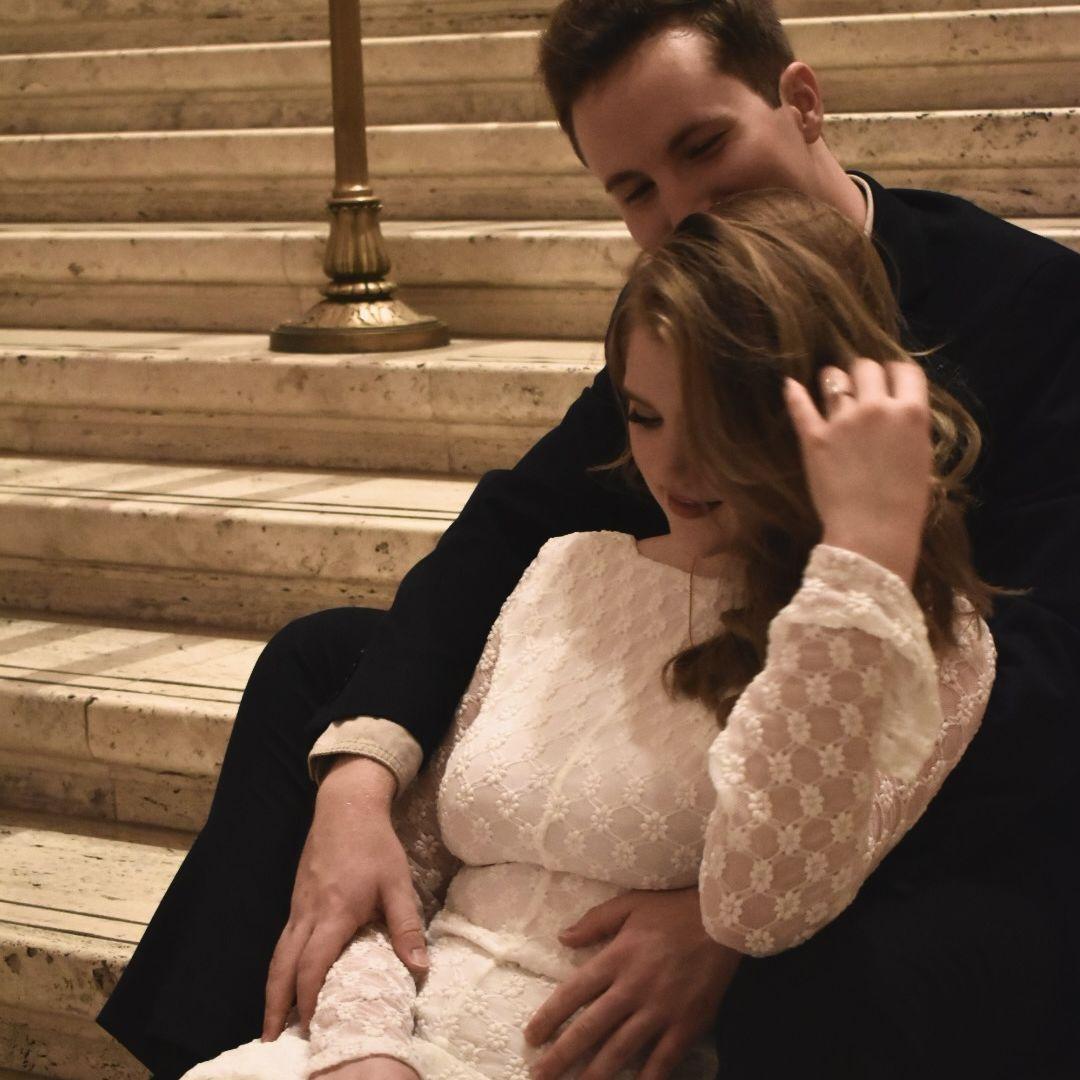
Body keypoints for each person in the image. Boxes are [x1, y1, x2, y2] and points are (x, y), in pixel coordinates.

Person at [99, 1, 1080, 1076]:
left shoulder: (1036, 305)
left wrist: (721, 916)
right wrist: (361, 782)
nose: (684, 208)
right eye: (636, 190)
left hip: (940, 772)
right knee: (321, 668)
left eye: (703, 147)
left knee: (866, 957)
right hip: (718, 682)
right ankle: (231, 1049)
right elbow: (508, 530)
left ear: (800, 102)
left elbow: (1050, 669)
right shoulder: (685, 309)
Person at [177, 190, 997, 1080]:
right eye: (645, 416)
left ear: (820, 409)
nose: (674, 466)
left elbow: (761, 903)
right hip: (383, 1049)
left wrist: (860, 561)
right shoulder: (566, 568)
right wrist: (365, 1052)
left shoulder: (912, 638)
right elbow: (398, 881)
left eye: (718, 421)